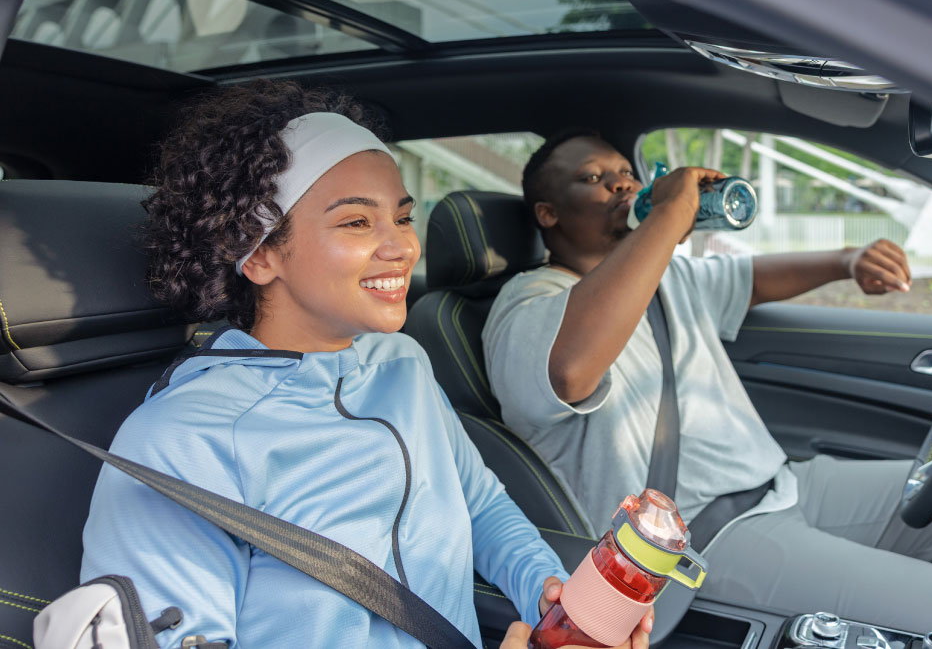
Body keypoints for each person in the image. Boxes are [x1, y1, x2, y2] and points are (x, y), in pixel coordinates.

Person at [80, 85, 651, 649]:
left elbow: (481, 505)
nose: (402, 247)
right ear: (258, 254)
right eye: (356, 222)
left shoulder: (403, 362)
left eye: (402, 218)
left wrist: (558, 606)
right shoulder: (180, 441)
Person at [482, 130, 932, 647]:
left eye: (626, 172)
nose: (621, 184)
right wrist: (668, 217)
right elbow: (570, 370)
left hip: (781, 486)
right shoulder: (527, 304)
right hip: (703, 539)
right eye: (594, 177)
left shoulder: (667, 276)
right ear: (548, 214)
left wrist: (846, 261)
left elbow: (752, 278)